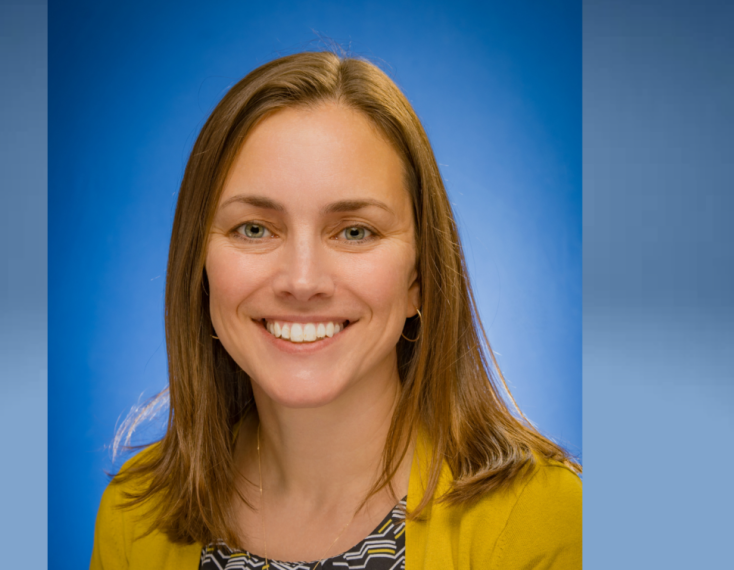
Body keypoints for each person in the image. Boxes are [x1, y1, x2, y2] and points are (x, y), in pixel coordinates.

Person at [90, 51, 581, 570]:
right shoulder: (135, 515)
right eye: (255, 229)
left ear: (419, 277)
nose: (302, 282)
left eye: (354, 231)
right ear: (200, 264)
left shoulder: (541, 517)